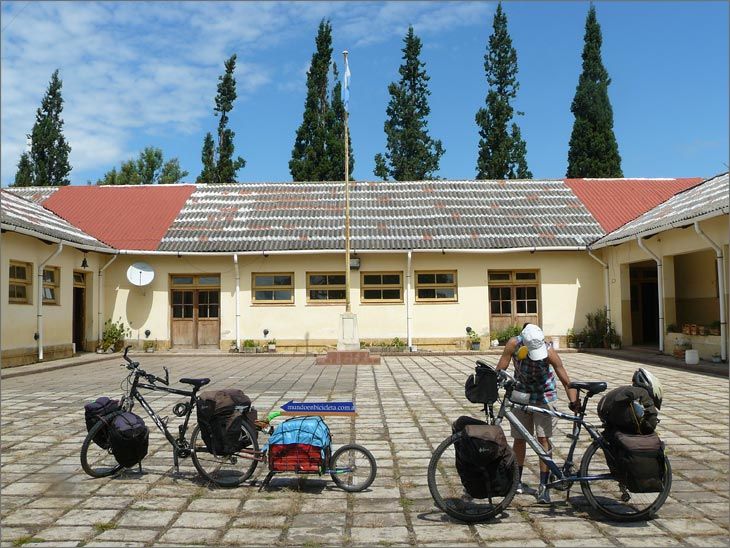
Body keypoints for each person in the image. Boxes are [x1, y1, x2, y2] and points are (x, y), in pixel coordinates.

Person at [495, 323, 580, 504]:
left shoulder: (549, 352)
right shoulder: (513, 344)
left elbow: (566, 380)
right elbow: (500, 369)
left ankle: (543, 485)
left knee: (543, 439)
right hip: (521, 395)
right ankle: (516, 481)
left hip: (544, 396)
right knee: (520, 438)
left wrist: (574, 402)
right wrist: (490, 385)